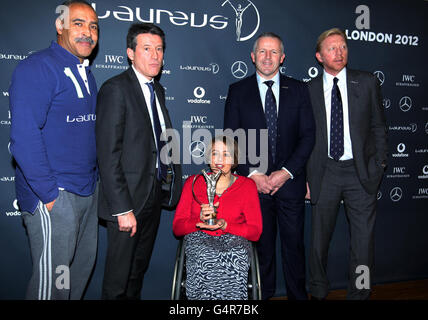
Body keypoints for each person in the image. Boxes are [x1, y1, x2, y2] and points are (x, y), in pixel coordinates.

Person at [9, 0, 99, 300]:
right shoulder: (37, 67)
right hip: (55, 196)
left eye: (93, 26)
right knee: (53, 288)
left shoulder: (84, 71)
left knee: (77, 278)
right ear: (60, 25)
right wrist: (49, 196)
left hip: (86, 192)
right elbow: (23, 137)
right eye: (78, 23)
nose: (88, 32)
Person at [224, 32, 315, 300]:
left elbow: (308, 135)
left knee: (294, 250)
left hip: (290, 185)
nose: (267, 57)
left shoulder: (299, 90)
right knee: (261, 252)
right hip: (254, 188)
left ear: (282, 58)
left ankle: (298, 296)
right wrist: (254, 174)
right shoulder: (237, 91)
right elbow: (231, 137)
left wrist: (286, 173)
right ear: (253, 57)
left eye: (273, 52)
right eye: (262, 51)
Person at [96, 23, 182, 300]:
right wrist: (122, 209)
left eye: (159, 49)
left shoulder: (158, 91)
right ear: (130, 53)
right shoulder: (115, 89)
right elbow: (107, 154)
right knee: (117, 281)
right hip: (126, 202)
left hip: (152, 197)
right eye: (147, 49)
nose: (155, 55)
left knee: (136, 273)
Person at [306, 28, 388, 300]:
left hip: (360, 172)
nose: (339, 52)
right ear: (319, 56)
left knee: (363, 244)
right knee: (318, 243)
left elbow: (379, 127)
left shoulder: (366, 82)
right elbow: (304, 136)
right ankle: (317, 292)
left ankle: (360, 294)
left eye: (342, 46)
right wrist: (307, 177)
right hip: (324, 172)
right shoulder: (309, 90)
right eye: (332, 48)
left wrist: (377, 166)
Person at [173, 135, 262, 300]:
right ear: (209, 157)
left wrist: (226, 225)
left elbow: (255, 232)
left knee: (235, 257)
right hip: (200, 239)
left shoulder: (247, 186)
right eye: (215, 153)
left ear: (234, 159)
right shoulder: (193, 182)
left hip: (234, 241)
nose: (220, 159)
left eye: (226, 154)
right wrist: (198, 221)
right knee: (204, 257)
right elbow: (178, 228)